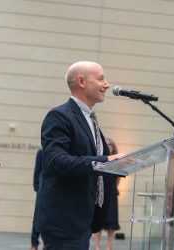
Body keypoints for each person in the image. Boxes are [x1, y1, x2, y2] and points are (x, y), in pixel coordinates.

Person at [37, 61, 123, 250]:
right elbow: (55, 162)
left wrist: (120, 165)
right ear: (82, 81)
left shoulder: (90, 118)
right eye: (101, 79)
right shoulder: (59, 116)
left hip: (84, 220)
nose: (107, 84)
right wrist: (106, 161)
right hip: (64, 222)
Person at [93, 137, 121, 250]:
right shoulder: (100, 158)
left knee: (111, 221)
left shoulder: (117, 160)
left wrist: (112, 187)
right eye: (107, 144)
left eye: (111, 144)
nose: (109, 146)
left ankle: (109, 247)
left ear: (113, 147)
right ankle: (97, 246)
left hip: (112, 193)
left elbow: (118, 178)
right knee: (98, 219)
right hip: (100, 191)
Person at [30, 149, 44, 250]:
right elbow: (37, 171)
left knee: (50, 219)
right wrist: (37, 187)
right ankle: (34, 245)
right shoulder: (41, 153)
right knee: (37, 218)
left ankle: (47, 244)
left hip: (55, 191)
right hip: (42, 191)